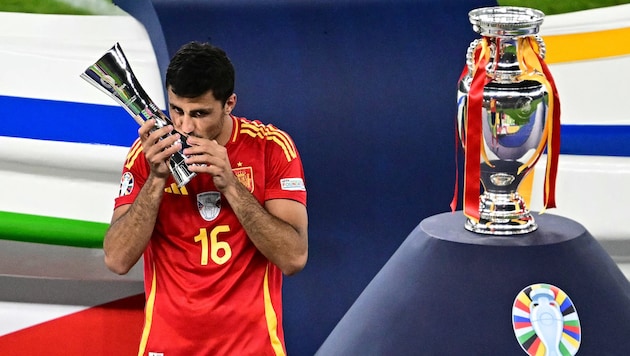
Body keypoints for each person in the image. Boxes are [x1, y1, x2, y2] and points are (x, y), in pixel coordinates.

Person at [103, 41, 308, 356]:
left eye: (200, 113)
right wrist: (156, 179)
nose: (185, 126)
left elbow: (294, 258)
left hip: (251, 349)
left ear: (229, 104)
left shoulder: (271, 147)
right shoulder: (147, 155)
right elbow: (116, 259)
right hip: (166, 347)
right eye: (176, 110)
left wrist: (230, 185)